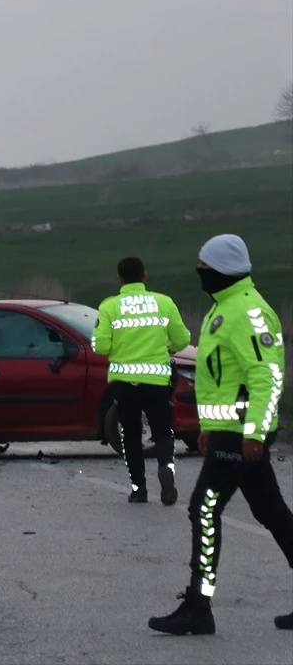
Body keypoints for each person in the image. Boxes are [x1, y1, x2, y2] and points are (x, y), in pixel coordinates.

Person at [148, 233, 293, 635]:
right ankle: (199, 606)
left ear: (223, 270)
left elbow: (266, 378)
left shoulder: (248, 313)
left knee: (204, 510)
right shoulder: (223, 309)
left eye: (205, 268)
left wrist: (256, 434)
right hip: (228, 433)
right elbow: (221, 378)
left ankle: (199, 607)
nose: (200, 273)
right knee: (272, 513)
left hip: (242, 436)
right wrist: (209, 428)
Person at [91, 256, 191, 506]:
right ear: (144, 277)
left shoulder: (109, 307)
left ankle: (139, 489)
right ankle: (166, 467)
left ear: (119, 279)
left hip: (125, 384)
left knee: (131, 436)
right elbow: (181, 341)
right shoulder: (164, 302)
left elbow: (100, 346)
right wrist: (166, 345)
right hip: (157, 381)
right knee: (163, 432)